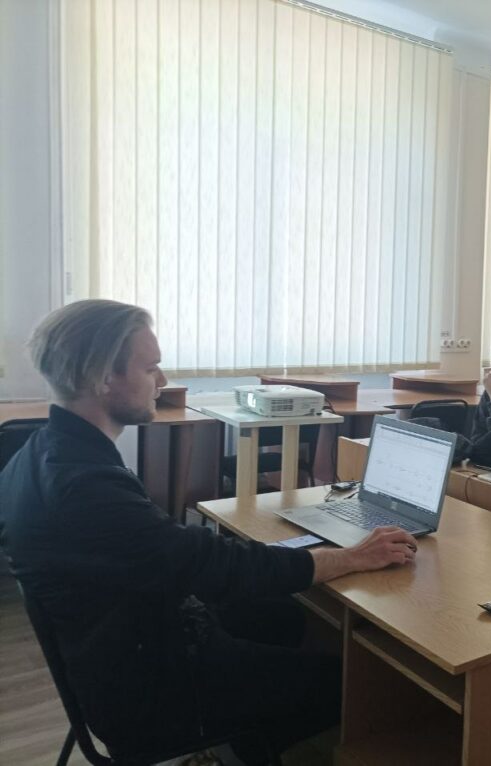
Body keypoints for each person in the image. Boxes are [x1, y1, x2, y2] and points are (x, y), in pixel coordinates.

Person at [0, 300, 418, 763]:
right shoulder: (84, 486)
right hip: (152, 690)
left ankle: (245, 741)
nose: (162, 381)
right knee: (348, 684)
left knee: (286, 616)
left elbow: (171, 554)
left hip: (121, 646)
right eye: (151, 368)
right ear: (103, 378)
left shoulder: (39, 453)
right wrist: (352, 556)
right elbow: (214, 567)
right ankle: (237, 746)